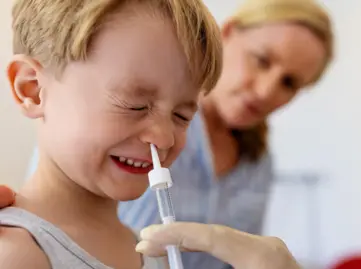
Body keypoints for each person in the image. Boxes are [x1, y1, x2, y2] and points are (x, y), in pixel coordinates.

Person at [24, 0, 334, 268]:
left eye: (289, 82)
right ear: (229, 33)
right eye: (262, 59)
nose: (266, 90)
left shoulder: (258, 164)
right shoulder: (108, 136)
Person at [0, 0, 222, 268]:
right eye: (135, 105)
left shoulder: (150, 251)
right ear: (33, 89)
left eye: (182, 117)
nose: (165, 139)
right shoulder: (16, 252)